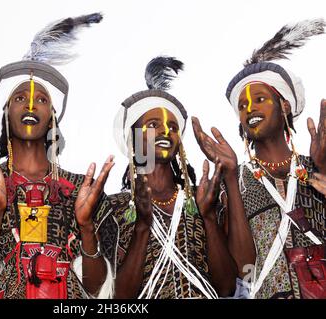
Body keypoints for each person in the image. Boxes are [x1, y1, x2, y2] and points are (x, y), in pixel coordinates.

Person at [0, 13, 117, 299]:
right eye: (20, 98)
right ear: (6, 111)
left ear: (52, 116)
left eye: (42, 99)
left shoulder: (83, 190)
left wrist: (85, 227)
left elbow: (99, 291)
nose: (31, 106)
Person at [192, 18, 326, 299]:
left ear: (285, 106)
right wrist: (228, 177)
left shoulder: (315, 165)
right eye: (242, 105)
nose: (250, 107)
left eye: (260, 98)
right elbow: (245, 272)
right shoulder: (236, 181)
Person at [98, 56, 237, 299]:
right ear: (134, 139)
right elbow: (118, 299)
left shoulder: (201, 197)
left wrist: (208, 217)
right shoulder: (113, 208)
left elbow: (227, 287)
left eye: (173, 127)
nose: (165, 131)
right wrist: (142, 226)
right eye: (153, 124)